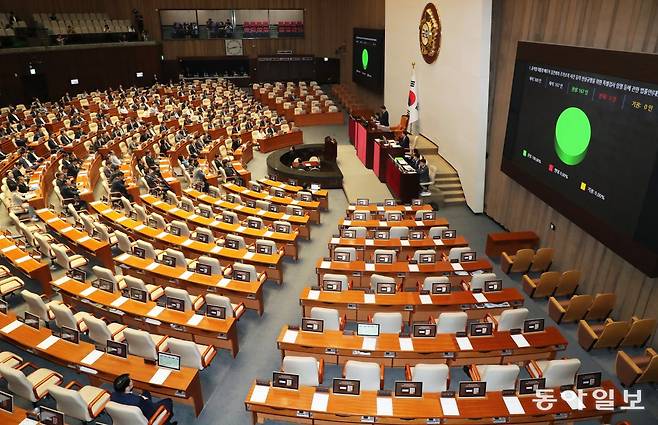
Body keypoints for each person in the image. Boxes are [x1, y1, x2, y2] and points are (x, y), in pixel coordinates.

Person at [111, 374, 177, 425]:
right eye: (130, 380)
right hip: (148, 416)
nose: (131, 381)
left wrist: (143, 398)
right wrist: (145, 400)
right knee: (168, 401)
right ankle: (167, 420)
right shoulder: (138, 400)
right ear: (127, 387)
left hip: (126, 413)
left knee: (146, 392)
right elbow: (152, 408)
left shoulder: (113, 396)